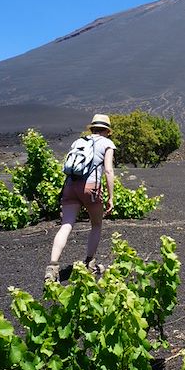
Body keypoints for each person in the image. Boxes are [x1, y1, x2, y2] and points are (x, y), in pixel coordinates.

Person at [45, 114, 116, 282]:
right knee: (96, 225)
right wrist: (110, 197)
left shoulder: (78, 142)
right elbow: (108, 171)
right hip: (90, 188)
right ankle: (89, 263)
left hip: (70, 187)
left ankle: (52, 266)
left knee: (66, 225)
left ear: (92, 128)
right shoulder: (107, 144)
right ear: (107, 130)